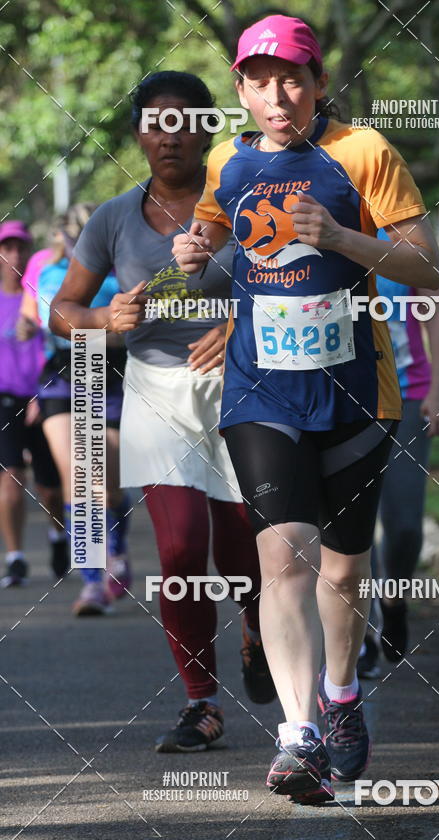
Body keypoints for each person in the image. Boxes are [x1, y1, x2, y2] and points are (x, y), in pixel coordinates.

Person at [173, 15, 439, 801]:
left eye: (292, 77)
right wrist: (193, 262)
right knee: (283, 555)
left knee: (344, 572)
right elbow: (208, 270)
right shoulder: (225, 162)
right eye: (259, 79)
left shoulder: (363, 153)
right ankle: (299, 738)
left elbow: (425, 268)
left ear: (320, 83)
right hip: (262, 389)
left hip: (360, 387)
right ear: (241, 88)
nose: (276, 94)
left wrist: (340, 236)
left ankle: (342, 694)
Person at [50, 71, 275, 752]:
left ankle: (262, 631)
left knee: (246, 549)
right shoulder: (114, 218)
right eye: (154, 122)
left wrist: (239, 323)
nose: (168, 134)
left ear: (207, 128)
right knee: (179, 550)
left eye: (183, 120)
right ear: (140, 135)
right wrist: (100, 317)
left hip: (242, 391)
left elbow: (298, 281)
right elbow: (62, 310)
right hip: (155, 393)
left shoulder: (246, 200)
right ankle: (202, 705)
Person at [18, 205, 132, 614]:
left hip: (110, 374)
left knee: (108, 482)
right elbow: (30, 319)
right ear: (62, 236)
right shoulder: (44, 271)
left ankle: (116, 550)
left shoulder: (121, 272)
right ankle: (92, 583)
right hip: (60, 378)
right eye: (75, 234)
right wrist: (27, 328)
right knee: (78, 475)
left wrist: (108, 328)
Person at [358, 249, 439, 679]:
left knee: (403, 525)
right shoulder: (317, 218)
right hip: (341, 400)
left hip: (407, 396)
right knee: (348, 528)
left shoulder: (406, 231)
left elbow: (434, 311)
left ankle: (393, 601)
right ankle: (358, 635)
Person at [0, 221, 66, 587]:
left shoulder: (44, 293)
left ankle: (58, 537)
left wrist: (45, 393)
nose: (14, 255)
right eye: (6, 248)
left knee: (51, 488)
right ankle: (16, 558)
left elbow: (58, 345)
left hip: (45, 395)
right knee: (10, 477)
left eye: (20, 248)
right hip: (5, 399)